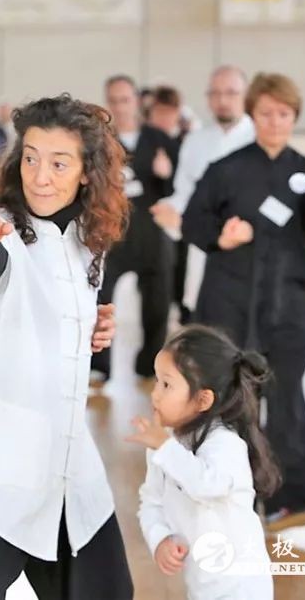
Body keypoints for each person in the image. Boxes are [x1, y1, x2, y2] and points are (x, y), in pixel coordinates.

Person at [0, 95, 132, 600]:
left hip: (67, 457)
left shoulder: (90, 236)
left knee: (109, 590)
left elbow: (57, 306)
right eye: (30, 158)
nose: (40, 177)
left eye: (59, 163)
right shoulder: (0, 228)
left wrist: (88, 326)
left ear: (86, 173)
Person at [182, 73, 305, 533]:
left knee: (287, 402)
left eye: (284, 114)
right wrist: (221, 237)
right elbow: (192, 222)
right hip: (228, 307)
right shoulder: (225, 170)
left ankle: (292, 500)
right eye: (266, 113)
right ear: (253, 115)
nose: (275, 121)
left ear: (294, 117)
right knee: (229, 405)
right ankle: (224, 495)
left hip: (288, 311)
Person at [128, 325, 279, 600]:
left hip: (243, 588)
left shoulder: (225, 444)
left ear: (203, 399)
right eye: (157, 381)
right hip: (202, 586)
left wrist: (165, 447)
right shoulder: (165, 444)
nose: (155, 394)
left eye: (166, 384)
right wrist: (160, 538)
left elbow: (207, 486)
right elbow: (151, 501)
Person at [150, 67, 255, 323]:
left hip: (251, 258)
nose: (222, 100)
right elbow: (184, 194)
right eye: (215, 93)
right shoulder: (196, 141)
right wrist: (169, 210)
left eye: (231, 93)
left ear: (246, 95)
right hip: (204, 253)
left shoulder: (260, 139)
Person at [91, 75, 177, 383]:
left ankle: (149, 363)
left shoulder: (159, 139)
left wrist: (165, 174)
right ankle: (99, 364)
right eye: (113, 100)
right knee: (101, 299)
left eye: (125, 100)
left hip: (152, 234)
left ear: (138, 101)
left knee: (158, 304)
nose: (119, 107)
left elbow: (177, 189)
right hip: (112, 234)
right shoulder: (99, 141)